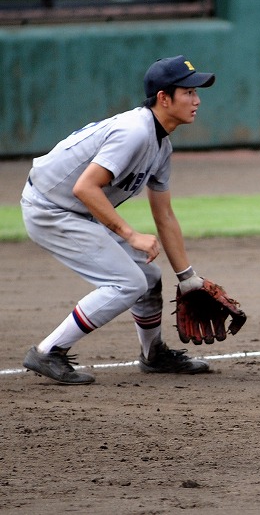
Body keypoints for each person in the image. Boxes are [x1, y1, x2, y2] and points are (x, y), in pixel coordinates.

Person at [21, 55, 219, 384]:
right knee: (127, 282)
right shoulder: (134, 132)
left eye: (197, 93)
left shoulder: (161, 146)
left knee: (148, 276)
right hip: (49, 209)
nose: (197, 100)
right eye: (189, 92)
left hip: (75, 211)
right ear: (164, 98)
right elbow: (86, 187)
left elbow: (165, 214)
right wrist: (130, 234)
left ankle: (153, 355)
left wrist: (188, 278)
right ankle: (48, 351)